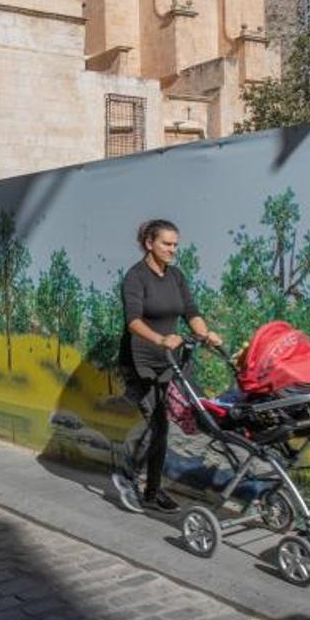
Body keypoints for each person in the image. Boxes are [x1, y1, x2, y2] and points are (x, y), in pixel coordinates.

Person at [112, 219, 222, 514]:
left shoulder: (175, 276)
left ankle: (152, 491)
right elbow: (133, 321)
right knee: (157, 423)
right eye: (167, 244)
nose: (173, 250)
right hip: (141, 360)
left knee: (167, 424)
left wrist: (205, 333)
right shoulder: (135, 278)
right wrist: (161, 339)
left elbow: (190, 311)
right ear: (150, 243)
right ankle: (126, 476)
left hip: (171, 361)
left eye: (175, 244)